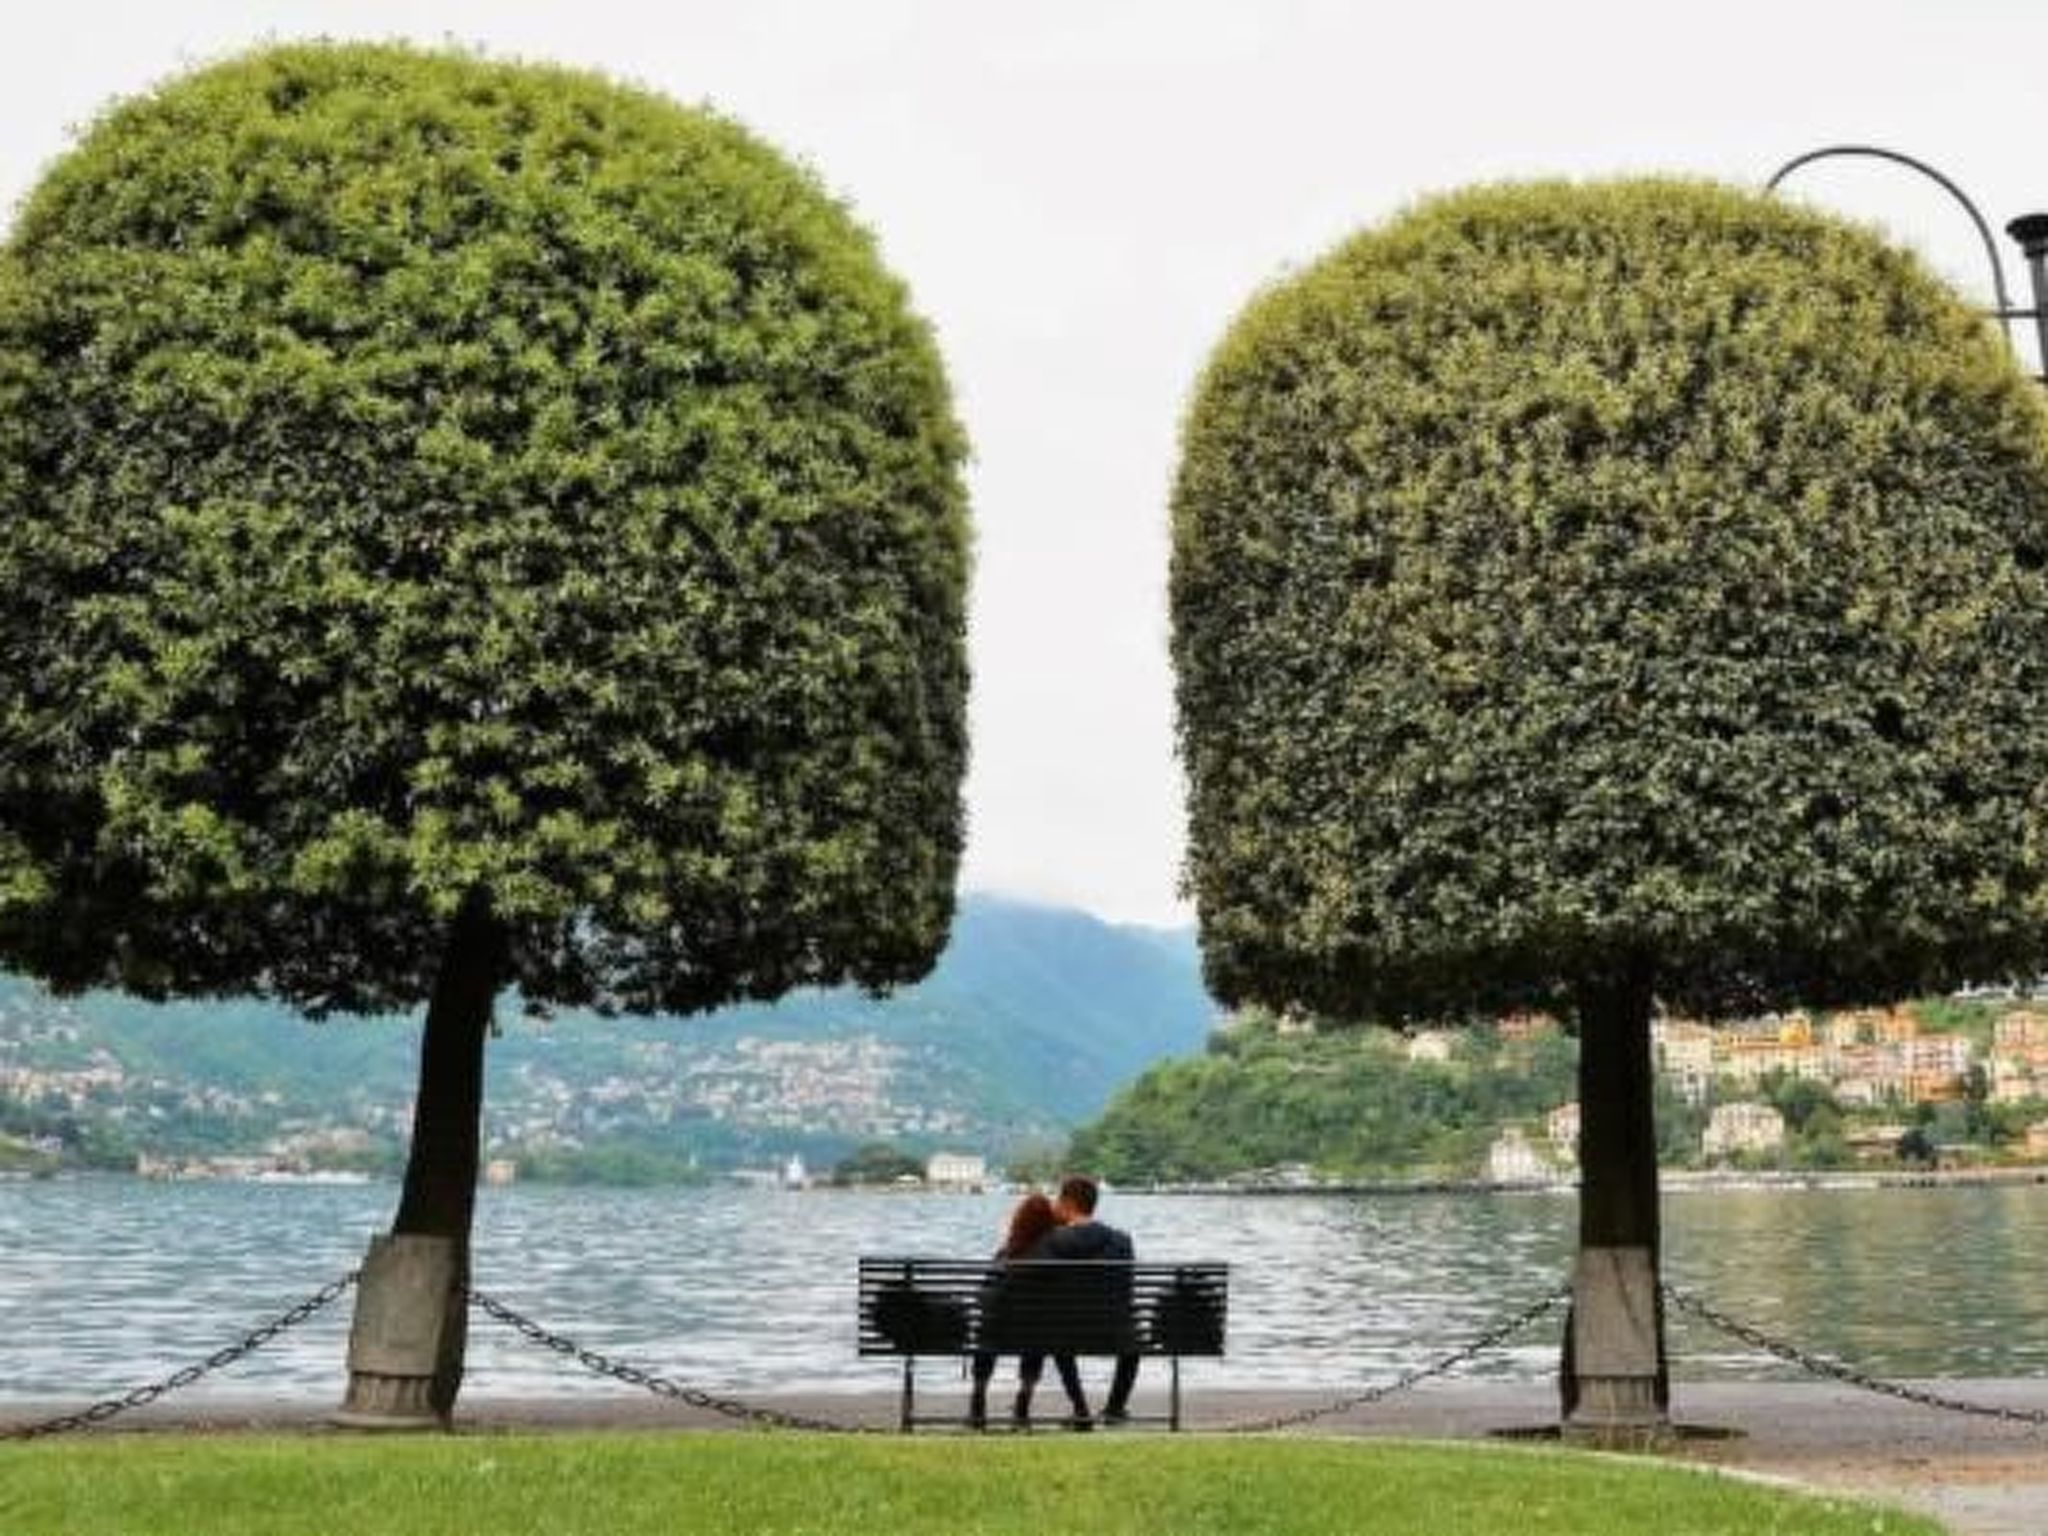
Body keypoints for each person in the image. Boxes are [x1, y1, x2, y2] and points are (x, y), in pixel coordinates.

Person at [969, 1191, 1091, 1430]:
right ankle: (1023, 1400)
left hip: (997, 1334)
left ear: (1019, 1220)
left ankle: (978, 1400)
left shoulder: (1005, 1254)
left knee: (990, 1328)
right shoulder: (1057, 1254)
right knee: (1039, 1329)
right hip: (1037, 1336)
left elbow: (984, 1296)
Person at [1046, 1173, 1140, 1423]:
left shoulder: (1053, 1240)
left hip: (1069, 1333)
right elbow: (1126, 1288)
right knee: (1132, 1336)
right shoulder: (1122, 1240)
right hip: (1118, 1332)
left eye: (1057, 1200)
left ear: (1068, 1203)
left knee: (1054, 1334)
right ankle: (1114, 1408)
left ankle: (1081, 1409)